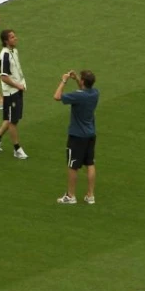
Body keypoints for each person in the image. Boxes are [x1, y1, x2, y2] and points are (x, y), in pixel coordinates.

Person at [53, 70, 99, 204]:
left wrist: (64, 80)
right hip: (91, 134)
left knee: (73, 166)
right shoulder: (95, 93)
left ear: (84, 82)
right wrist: (77, 79)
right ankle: (90, 195)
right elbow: (84, 89)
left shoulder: (78, 96)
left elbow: (57, 96)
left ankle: (70, 195)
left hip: (77, 136)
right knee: (90, 164)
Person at [0, 29, 28, 159]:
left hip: (17, 90)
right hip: (11, 93)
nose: (15, 38)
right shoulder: (4, 55)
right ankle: (17, 149)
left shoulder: (14, 51)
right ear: (6, 41)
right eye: (12, 37)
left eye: (15, 36)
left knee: (10, 118)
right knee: (13, 121)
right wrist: (18, 85)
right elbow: (4, 77)